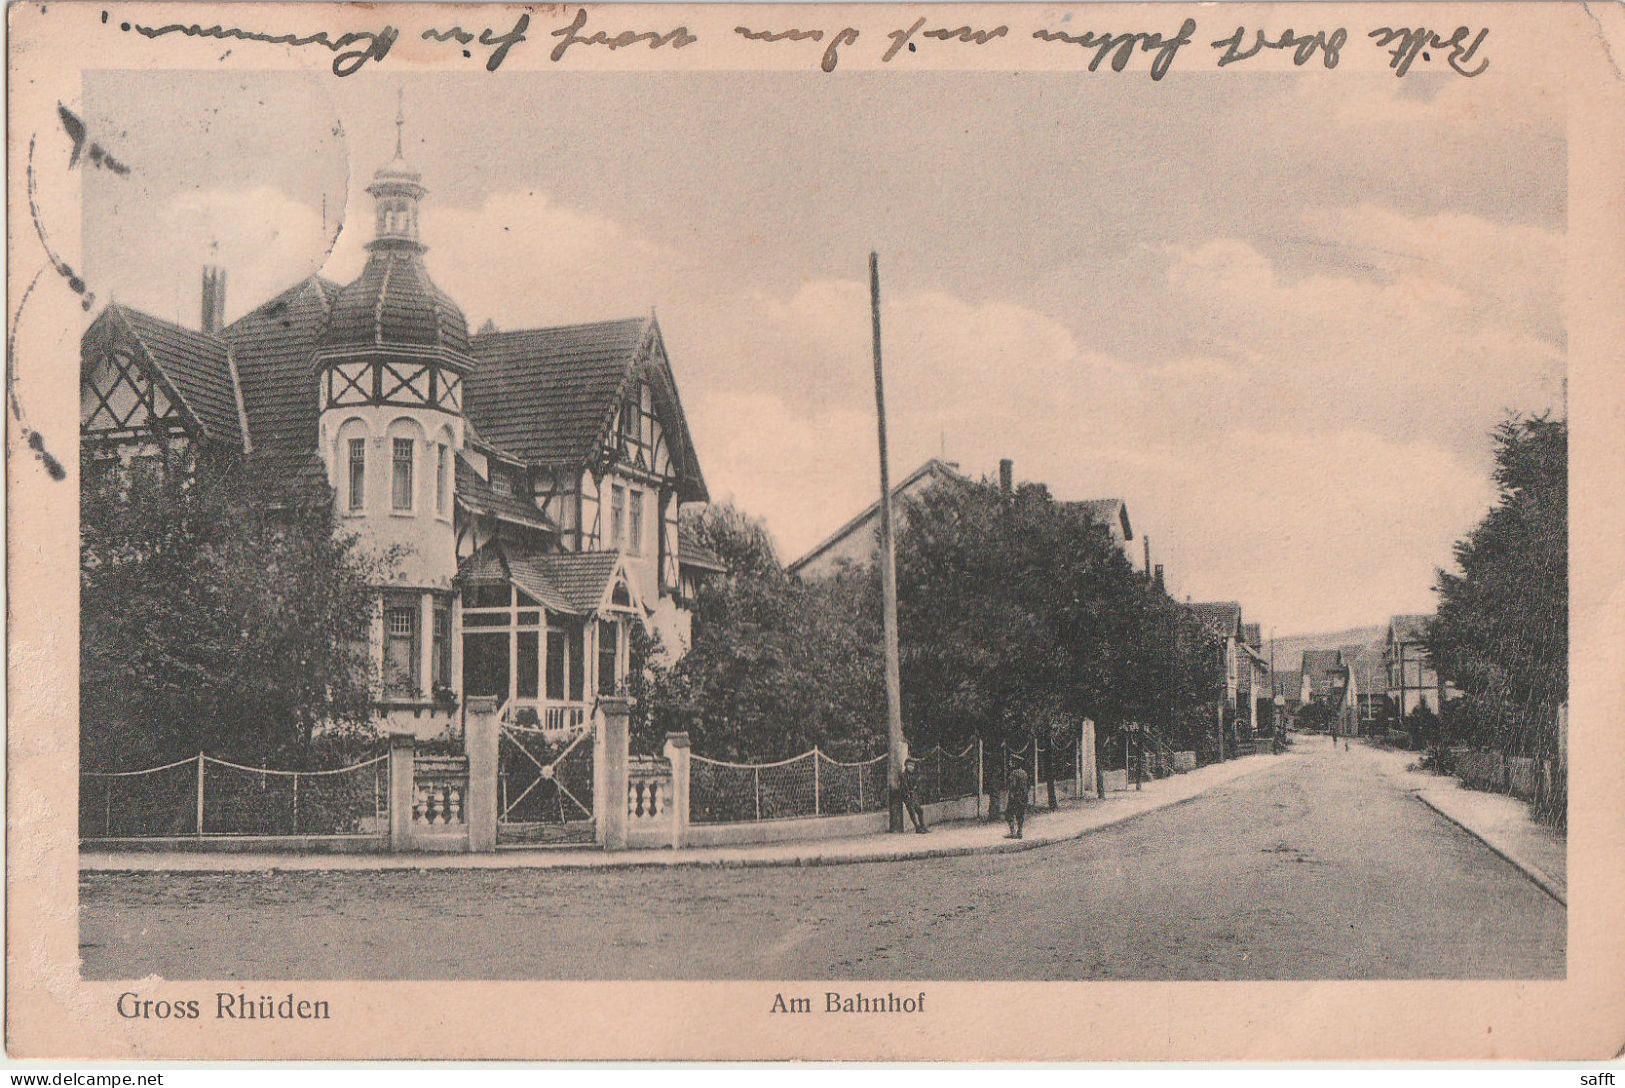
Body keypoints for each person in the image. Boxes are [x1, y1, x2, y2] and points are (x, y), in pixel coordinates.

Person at [900, 757, 928, 833]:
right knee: (912, 811)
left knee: (920, 810)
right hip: (907, 796)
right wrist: (908, 794)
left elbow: (916, 786)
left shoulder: (913, 775)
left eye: (912, 766)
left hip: (913, 796)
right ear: (906, 765)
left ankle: (923, 826)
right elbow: (904, 787)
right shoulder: (904, 775)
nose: (911, 767)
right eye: (909, 765)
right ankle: (917, 827)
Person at [1005, 759, 1030, 839]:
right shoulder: (1024, 773)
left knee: (1009, 813)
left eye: (1012, 762)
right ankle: (1020, 832)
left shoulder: (1014, 773)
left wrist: (1011, 794)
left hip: (1015, 796)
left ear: (1015, 763)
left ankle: (1012, 832)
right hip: (1024, 796)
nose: (1010, 763)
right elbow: (1028, 785)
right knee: (1020, 814)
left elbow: (1013, 785)